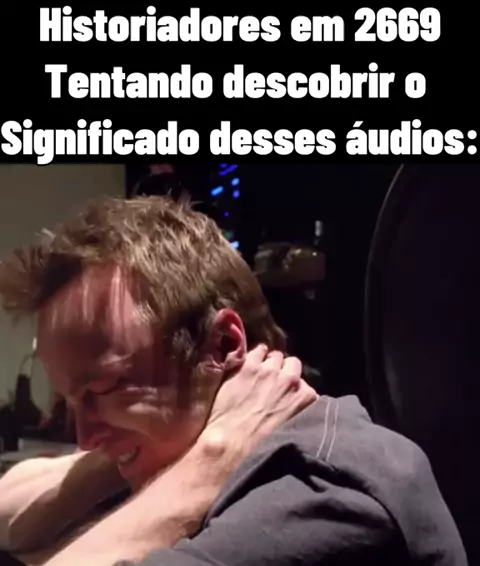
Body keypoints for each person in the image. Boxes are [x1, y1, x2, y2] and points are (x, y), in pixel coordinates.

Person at [0, 195, 467, 566]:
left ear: (222, 346)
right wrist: (203, 456)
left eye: (100, 390)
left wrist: (206, 464)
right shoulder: (178, 442)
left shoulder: (327, 492)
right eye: (70, 403)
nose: (85, 437)